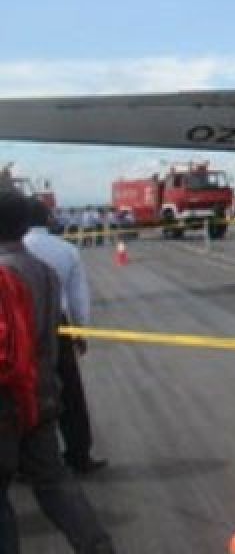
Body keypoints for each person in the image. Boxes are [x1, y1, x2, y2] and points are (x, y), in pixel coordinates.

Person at [0, 191, 115, 553]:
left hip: (9, 400)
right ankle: (97, 546)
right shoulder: (45, 270)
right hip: (43, 394)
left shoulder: (3, 273)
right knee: (54, 484)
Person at [23, 199, 107, 476]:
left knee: (21, 393)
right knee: (70, 392)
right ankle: (79, 454)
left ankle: (26, 461)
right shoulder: (66, 250)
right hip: (56, 326)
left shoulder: (12, 249)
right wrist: (80, 332)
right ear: (48, 220)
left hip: (17, 325)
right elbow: (77, 297)